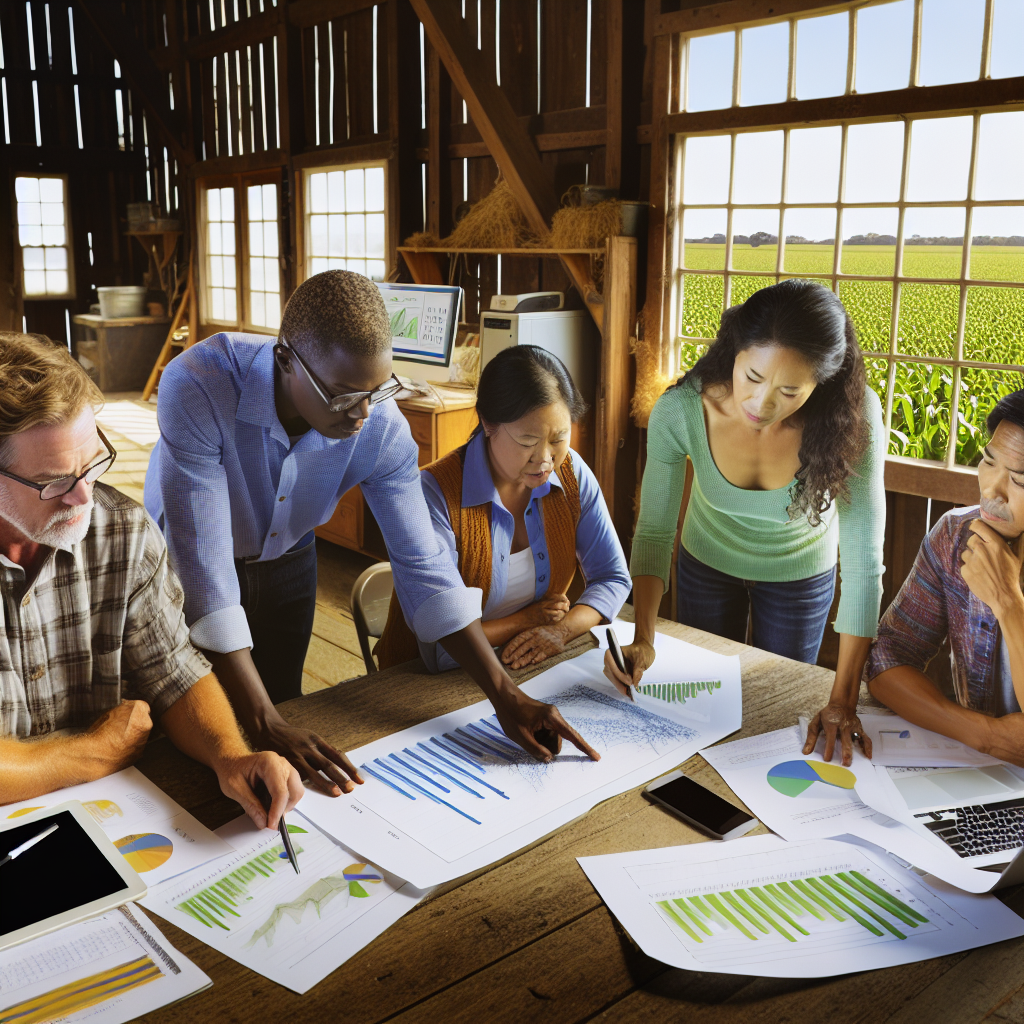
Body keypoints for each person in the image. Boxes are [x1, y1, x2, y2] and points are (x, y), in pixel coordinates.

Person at [145, 271, 597, 796]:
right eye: (342, 395)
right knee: (195, 725)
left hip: (290, 553)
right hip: (181, 568)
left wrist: (506, 696)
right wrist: (265, 723)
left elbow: (425, 568)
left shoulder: (379, 423)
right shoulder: (198, 384)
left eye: (377, 390)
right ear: (286, 359)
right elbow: (206, 575)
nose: (362, 413)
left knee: (288, 704)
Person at [0, 333, 301, 830]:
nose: (83, 500)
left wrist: (230, 755)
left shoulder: (122, 529)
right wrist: (90, 753)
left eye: (93, 464)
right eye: (54, 481)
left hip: (113, 815)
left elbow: (173, 672)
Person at [604, 279, 886, 766]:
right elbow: (653, 530)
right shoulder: (682, 409)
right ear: (735, 351)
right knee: (702, 704)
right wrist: (643, 638)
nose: (762, 404)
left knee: (779, 711)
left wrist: (842, 701)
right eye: (752, 377)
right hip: (706, 562)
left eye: (790, 390)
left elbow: (863, 563)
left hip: (799, 575)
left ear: (823, 383)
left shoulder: (853, 420)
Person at [376, 345, 631, 671]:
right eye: (527, 442)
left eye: (559, 438)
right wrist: (527, 621)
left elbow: (612, 577)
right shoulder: (434, 494)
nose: (544, 459)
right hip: (424, 682)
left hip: (528, 666)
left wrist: (561, 631)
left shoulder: (572, 476)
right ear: (488, 423)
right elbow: (442, 644)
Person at [867, 390, 1024, 766]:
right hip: (983, 769)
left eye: (1020, 481)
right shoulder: (954, 537)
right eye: (989, 461)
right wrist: (984, 735)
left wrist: (1007, 602)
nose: (991, 491)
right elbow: (888, 658)